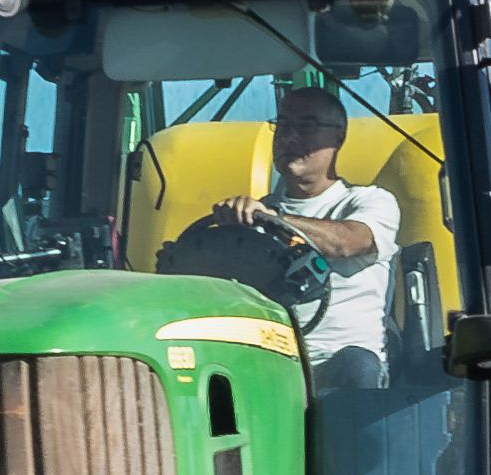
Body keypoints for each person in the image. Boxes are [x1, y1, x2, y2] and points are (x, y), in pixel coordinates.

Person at [157, 84, 395, 388]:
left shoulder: (368, 202)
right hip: (269, 363)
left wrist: (272, 220)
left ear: (339, 136)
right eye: (282, 124)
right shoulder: (253, 219)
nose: (289, 136)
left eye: (306, 125)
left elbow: (347, 242)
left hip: (339, 367)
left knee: (358, 366)